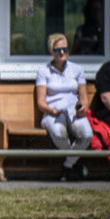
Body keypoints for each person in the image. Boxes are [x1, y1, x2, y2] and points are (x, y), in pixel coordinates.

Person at [35, 33, 93, 181]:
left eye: (65, 49)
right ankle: (75, 164)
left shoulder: (77, 69)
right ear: (51, 52)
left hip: (73, 110)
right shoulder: (44, 71)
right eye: (57, 50)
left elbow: (84, 98)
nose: (62, 53)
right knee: (59, 133)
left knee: (86, 134)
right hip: (53, 112)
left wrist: (83, 108)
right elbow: (41, 102)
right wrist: (50, 110)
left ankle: (67, 165)